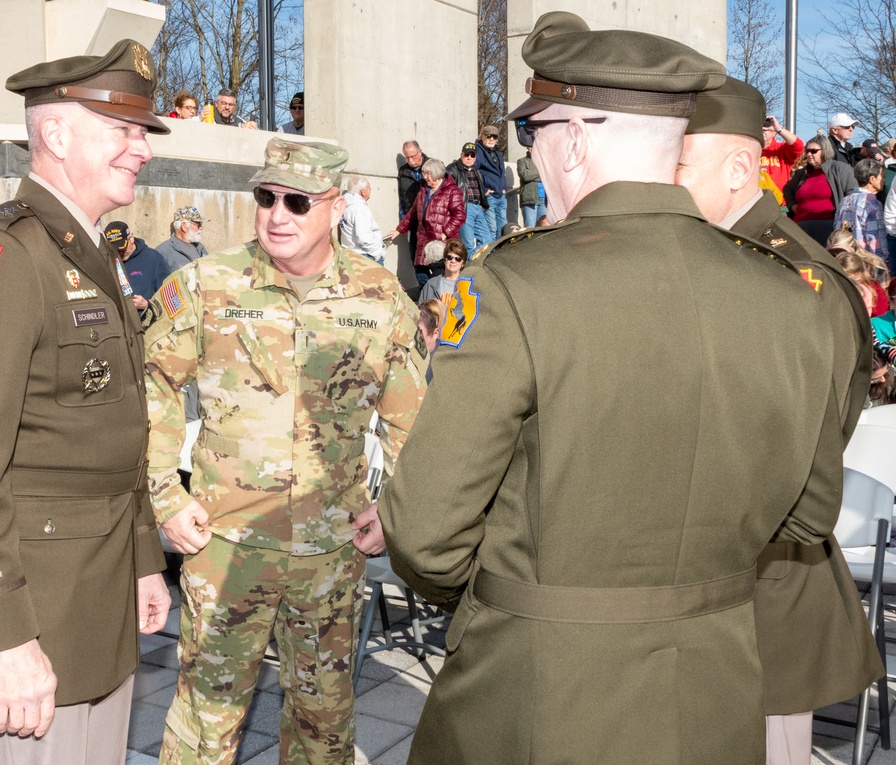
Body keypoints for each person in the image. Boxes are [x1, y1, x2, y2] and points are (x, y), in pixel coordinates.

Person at [373, 12, 843, 764]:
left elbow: (425, 532)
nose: (533, 156)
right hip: (716, 690)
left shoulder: (516, 284)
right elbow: (810, 512)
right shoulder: (793, 295)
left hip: (537, 692)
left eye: (536, 136)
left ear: (577, 138)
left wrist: (512, 587)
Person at [0, 39, 171, 765]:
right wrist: (0, 634)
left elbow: (111, 432)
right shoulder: (1, 261)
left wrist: (142, 557)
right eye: (122, 129)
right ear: (55, 134)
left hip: (97, 599)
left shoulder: (85, 253)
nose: (141, 149)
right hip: (36, 621)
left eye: (142, 131)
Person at [144, 137, 427, 765]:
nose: (277, 214)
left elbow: (412, 419)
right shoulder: (207, 285)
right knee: (204, 721)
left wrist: (396, 510)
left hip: (329, 554)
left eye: (297, 202)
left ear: (335, 205)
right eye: (266, 197)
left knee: (323, 726)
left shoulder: (379, 297)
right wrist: (165, 495)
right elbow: (153, 385)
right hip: (226, 549)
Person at [676, 75, 880, 764]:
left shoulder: (800, 279)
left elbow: (804, 456)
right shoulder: (697, 260)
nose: (663, 179)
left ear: (739, 167)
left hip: (766, 577)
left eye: (680, 162)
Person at [387, 158, 466, 286]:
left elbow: (460, 215)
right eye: (424, 174)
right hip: (423, 241)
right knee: (421, 276)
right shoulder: (423, 190)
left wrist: (445, 233)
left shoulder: (452, 191)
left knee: (440, 278)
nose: (425, 177)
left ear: (436, 173)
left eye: (428, 174)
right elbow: (413, 212)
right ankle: (427, 301)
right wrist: (399, 229)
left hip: (441, 244)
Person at [783, 135, 858, 246]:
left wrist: (844, 222)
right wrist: (792, 205)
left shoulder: (840, 169)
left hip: (829, 228)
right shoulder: (802, 173)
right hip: (801, 227)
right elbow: (787, 188)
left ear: (825, 151)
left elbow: (853, 194)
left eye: (813, 151)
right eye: (807, 151)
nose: (809, 154)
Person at [105, 220, 172, 312]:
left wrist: (147, 304)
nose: (120, 253)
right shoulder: (108, 261)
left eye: (122, 248)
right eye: (115, 250)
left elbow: (170, 296)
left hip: (146, 321)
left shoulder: (153, 258)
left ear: (131, 238)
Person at [834, 158, 890, 268]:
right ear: (872, 179)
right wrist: (883, 263)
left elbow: (837, 228)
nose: (884, 180)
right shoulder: (872, 203)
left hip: (847, 260)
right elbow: (875, 239)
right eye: (882, 176)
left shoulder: (845, 200)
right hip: (866, 264)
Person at [447, 142, 492, 258]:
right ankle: (468, 271)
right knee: (468, 244)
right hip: (465, 208)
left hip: (478, 207)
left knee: (488, 240)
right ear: (461, 155)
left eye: (472, 155)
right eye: (467, 155)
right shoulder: (452, 169)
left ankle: (473, 261)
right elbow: (447, 191)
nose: (469, 158)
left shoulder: (476, 170)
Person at [339, 175, 386, 263]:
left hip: (349, 255)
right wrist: (377, 254)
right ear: (363, 192)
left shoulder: (346, 206)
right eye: (369, 187)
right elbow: (364, 237)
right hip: (364, 256)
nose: (370, 189)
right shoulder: (360, 208)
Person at [475, 124, 507, 238]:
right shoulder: (477, 151)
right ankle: (491, 254)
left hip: (500, 194)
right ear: (482, 136)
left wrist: (504, 187)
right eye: (489, 136)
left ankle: (501, 252)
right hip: (490, 195)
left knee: (504, 228)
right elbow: (474, 171)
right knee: (491, 228)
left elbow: (502, 171)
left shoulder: (497, 152)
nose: (492, 139)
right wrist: (484, 190)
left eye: (495, 136)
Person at [155, 205, 209, 271]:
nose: (201, 227)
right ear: (184, 227)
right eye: (198, 224)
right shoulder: (163, 252)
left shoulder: (199, 246)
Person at [760, 114, 803, 194]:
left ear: (774, 132)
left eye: (765, 130)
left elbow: (798, 146)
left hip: (780, 202)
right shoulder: (750, 151)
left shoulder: (781, 149)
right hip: (757, 201)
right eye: (759, 130)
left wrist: (779, 129)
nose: (762, 132)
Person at [418, 239, 466, 304]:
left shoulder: (469, 286)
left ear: (463, 263)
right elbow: (421, 310)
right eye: (449, 257)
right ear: (444, 259)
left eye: (458, 259)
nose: (453, 261)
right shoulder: (431, 284)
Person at [516, 149, 547, 227]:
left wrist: (532, 174)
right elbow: (525, 176)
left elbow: (549, 176)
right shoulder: (522, 161)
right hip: (530, 199)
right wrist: (541, 172)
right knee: (530, 229)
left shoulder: (545, 161)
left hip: (545, 201)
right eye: (530, 146)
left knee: (542, 228)